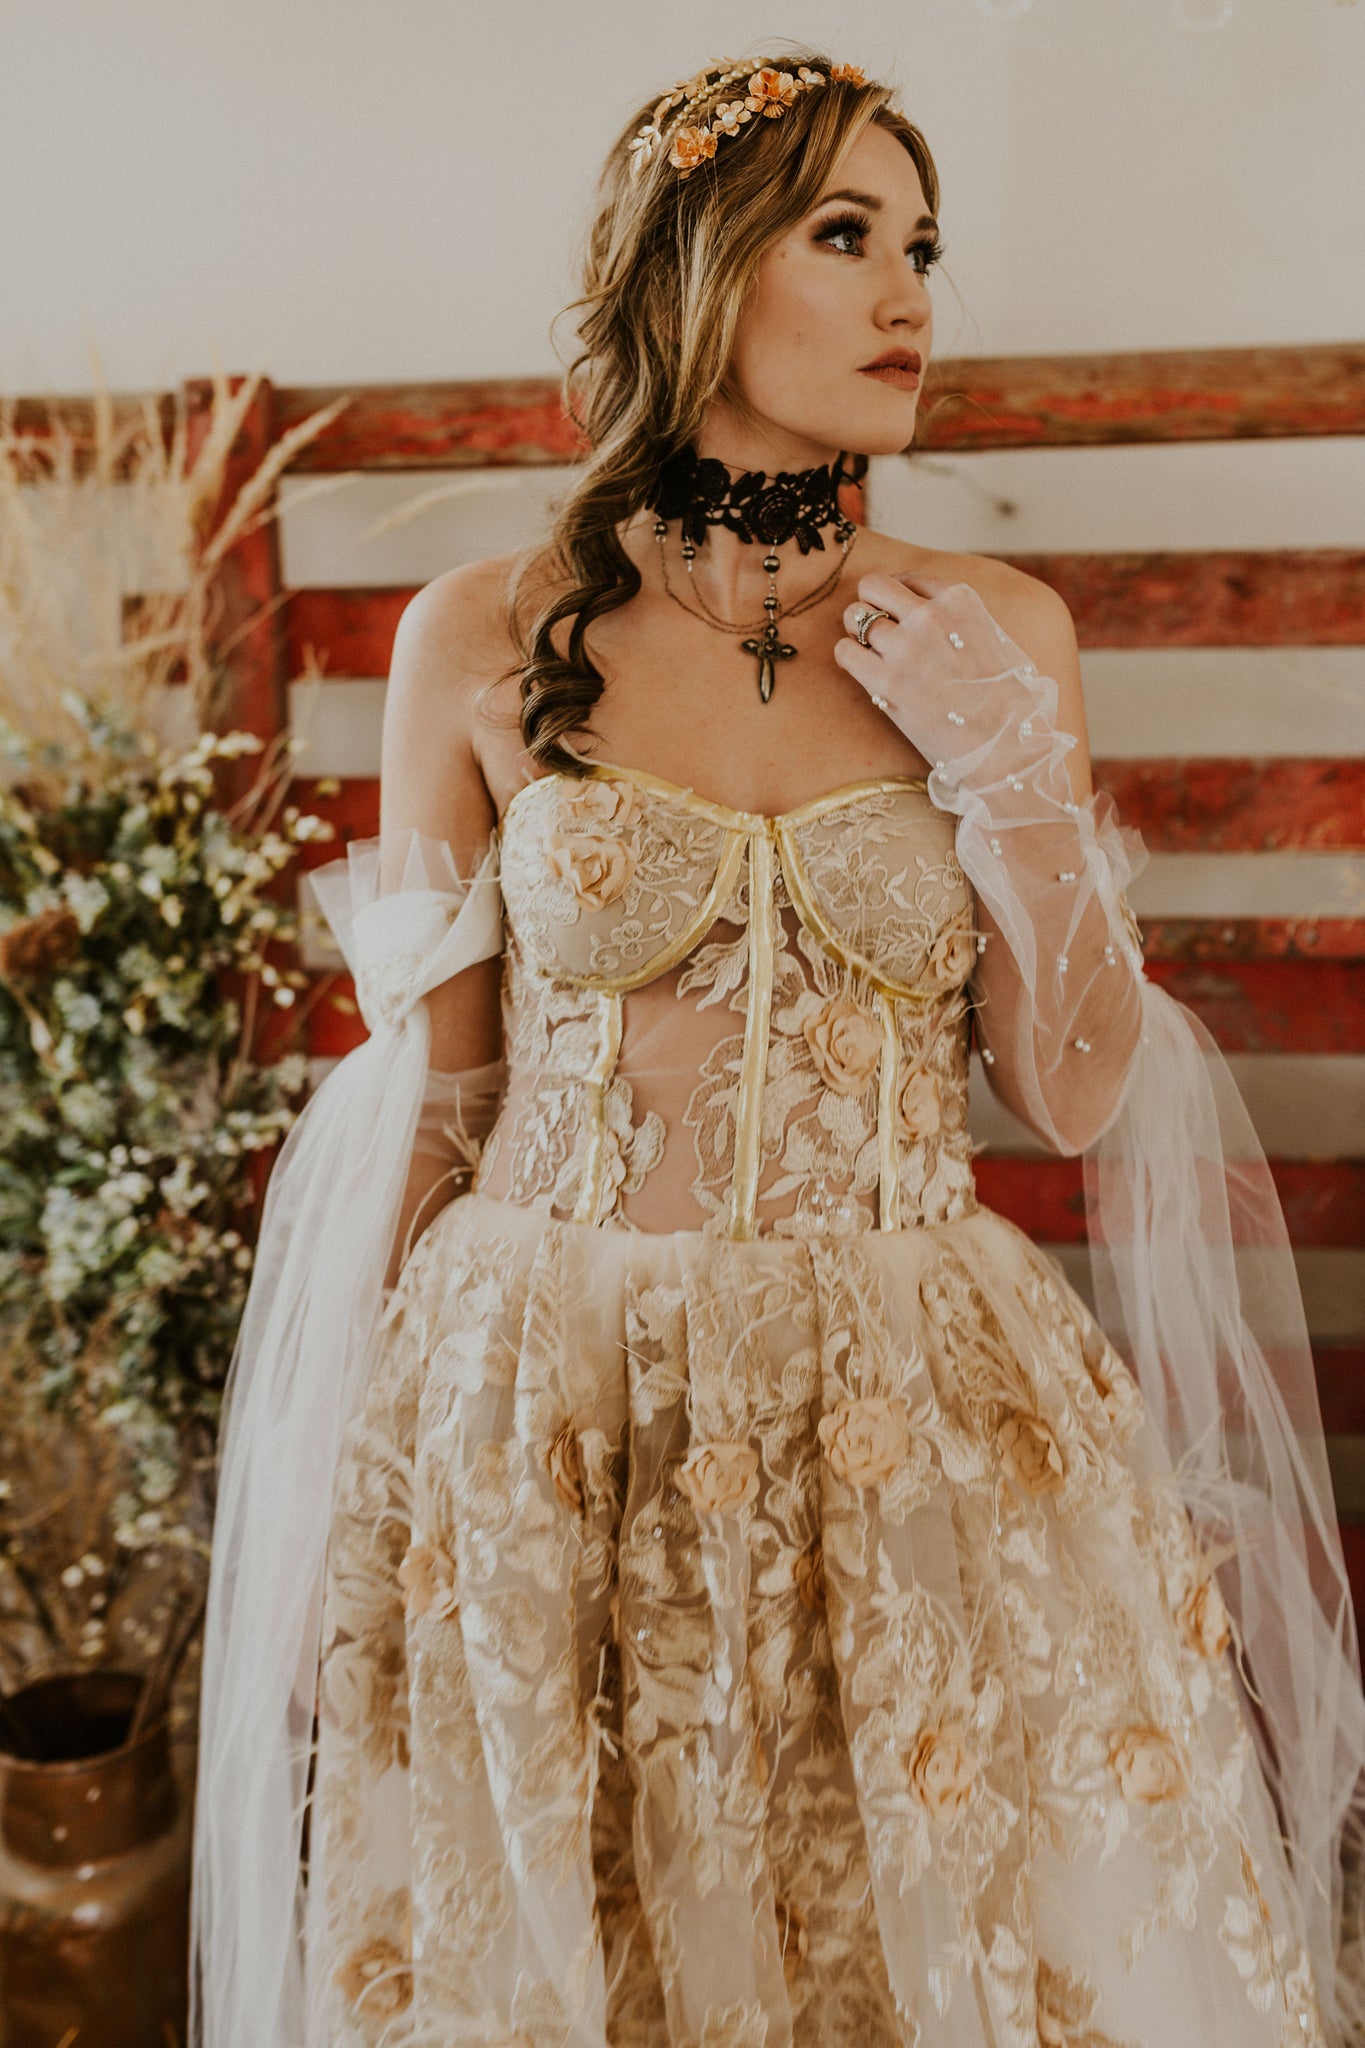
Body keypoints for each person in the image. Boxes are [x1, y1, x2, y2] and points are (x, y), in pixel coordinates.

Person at [190, 48, 1365, 2048]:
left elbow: (1073, 1089)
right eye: (845, 235)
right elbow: (441, 1105)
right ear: (700, 268)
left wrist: (1009, 779)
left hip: (905, 1400)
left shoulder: (988, 631)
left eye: (922, 244)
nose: (910, 294)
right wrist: (316, 1510)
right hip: (543, 1406)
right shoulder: (480, 631)